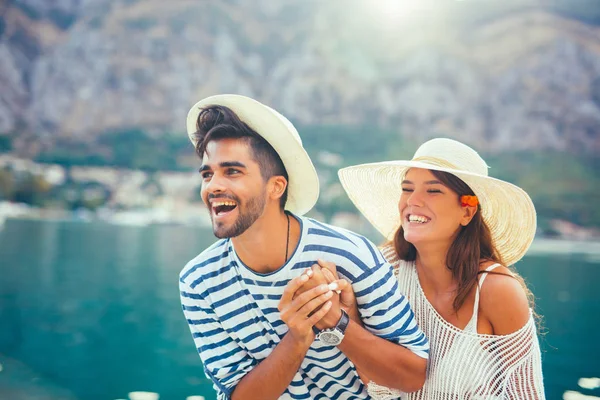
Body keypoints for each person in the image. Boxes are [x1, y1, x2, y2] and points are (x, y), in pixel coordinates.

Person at [178, 94, 429, 400]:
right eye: (207, 173)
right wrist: (297, 338)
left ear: (276, 187)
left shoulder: (350, 254)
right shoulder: (198, 282)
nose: (213, 185)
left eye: (232, 171)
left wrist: (336, 322)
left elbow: (414, 375)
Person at [331, 138, 546, 399]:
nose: (413, 200)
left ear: (466, 212)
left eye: (433, 191)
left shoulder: (497, 290)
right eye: (407, 189)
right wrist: (349, 313)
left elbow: (526, 394)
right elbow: (372, 379)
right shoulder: (386, 269)